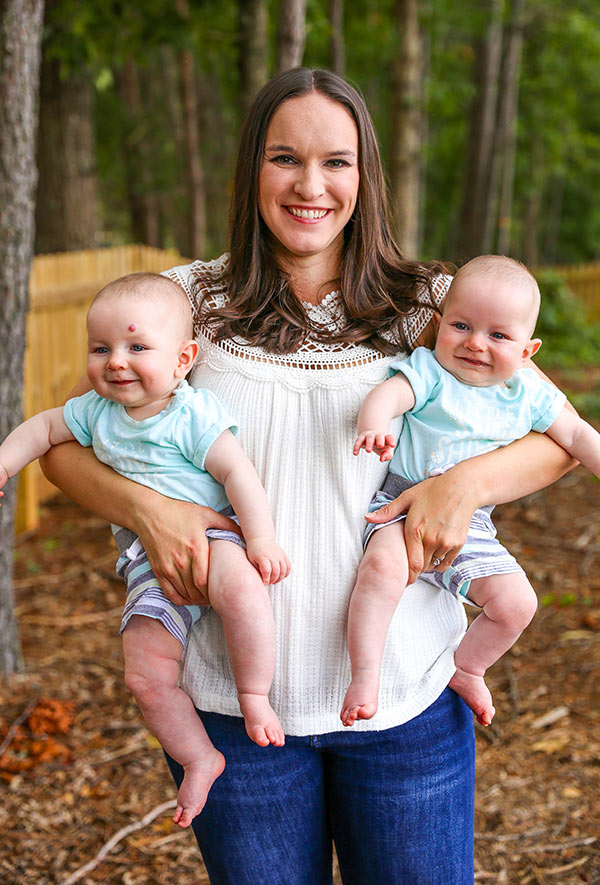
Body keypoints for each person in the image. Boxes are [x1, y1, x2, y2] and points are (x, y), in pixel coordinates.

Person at [41, 69, 575, 884]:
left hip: (406, 701)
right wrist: (151, 512)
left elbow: (557, 438)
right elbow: (64, 444)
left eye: (337, 161)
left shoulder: (433, 304)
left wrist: (462, 488)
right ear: (253, 165)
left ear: (365, 177)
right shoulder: (184, 302)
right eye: (285, 157)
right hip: (234, 711)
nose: (310, 185)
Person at [0, 272, 290, 828]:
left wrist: (261, 539)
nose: (116, 361)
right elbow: (41, 431)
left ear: (184, 359)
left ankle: (255, 692)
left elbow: (238, 474)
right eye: (101, 348)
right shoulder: (95, 412)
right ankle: (198, 756)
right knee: (143, 674)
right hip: (150, 566)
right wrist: (6, 463)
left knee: (243, 592)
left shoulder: (190, 414)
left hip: (215, 538)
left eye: (137, 347)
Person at [342, 254, 600, 731]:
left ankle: (468, 667)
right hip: (399, 508)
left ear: (528, 351)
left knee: (518, 604)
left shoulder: (529, 393)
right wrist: (374, 422)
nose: (475, 344)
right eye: (461, 325)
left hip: (472, 521)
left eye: (498, 335)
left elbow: (578, 437)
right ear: (439, 324)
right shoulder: (431, 372)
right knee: (379, 571)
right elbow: (391, 394)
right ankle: (365, 675)